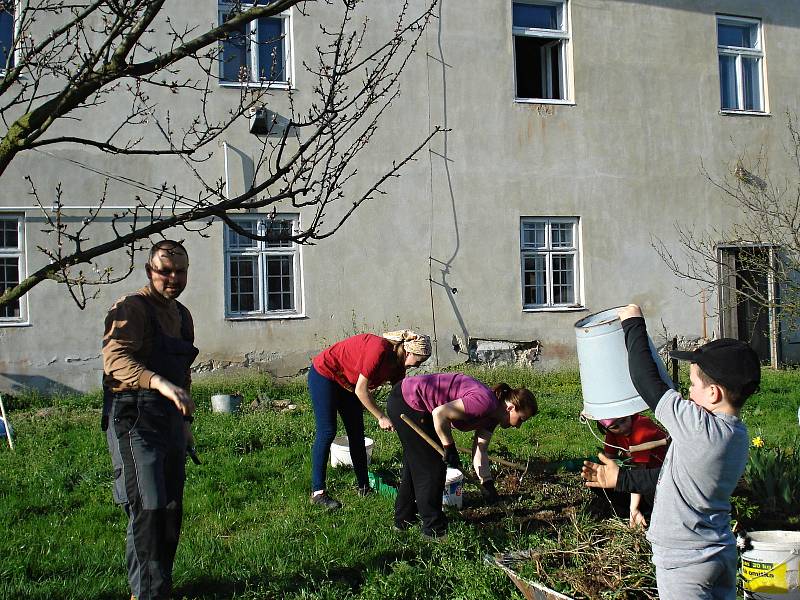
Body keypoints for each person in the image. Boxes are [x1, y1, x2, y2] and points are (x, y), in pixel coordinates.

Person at [581, 304, 760, 600]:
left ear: (713, 393)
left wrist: (633, 324)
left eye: (691, 385)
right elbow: (672, 480)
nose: (686, 393)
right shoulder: (735, 435)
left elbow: (648, 383)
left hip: (685, 562)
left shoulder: (698, 428)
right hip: (719, 553)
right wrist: (621, 480)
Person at [102, 240, 198, 600]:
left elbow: (183, 371)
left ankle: (161, 587)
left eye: (180, 271)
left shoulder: (183, 315)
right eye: (165, 271)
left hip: (170, 419)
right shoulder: (131, 308)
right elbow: (115, 362)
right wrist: (160, 383)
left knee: (171, 509)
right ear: (149, 271)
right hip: (133, 414)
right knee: (149, 506)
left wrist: (186, 424)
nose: (173, 278)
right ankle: (143, 594)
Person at [387, 373, 538, 538]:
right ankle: (434, 531)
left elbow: (480, 450)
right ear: (510, 408)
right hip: (408, 400)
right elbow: (440, 413)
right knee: (431, 469)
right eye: (521, 419)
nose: (519, 426)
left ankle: (403, 521)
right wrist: (449, 446)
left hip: (413, 402)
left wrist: (486, 483)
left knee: (417, 463)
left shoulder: (492, 416)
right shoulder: (485, 403)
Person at [309, 330, 432, 510]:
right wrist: (381, 417)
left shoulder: (398, 366)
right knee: (328, 431)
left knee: (356, 434)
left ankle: (364, 487)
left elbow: (401, 397)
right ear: (408, 352)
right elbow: (361, 390)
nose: (418, 366)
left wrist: (418, 420)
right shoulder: (379, 349)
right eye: (419, 361)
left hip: (348, 385)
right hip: (326, 374)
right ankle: (318, 493)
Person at [596, 412, 668, 528]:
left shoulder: (641, 426)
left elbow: (638, 473)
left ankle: (643, 510)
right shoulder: (612, 432)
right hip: (641, 477)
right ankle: (635, 509)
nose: (623, 427)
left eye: (624, 420)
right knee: (598, 479)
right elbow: (608, 459)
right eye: (615, 427)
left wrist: (633, 508)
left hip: (659, 477)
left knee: (652, 493)